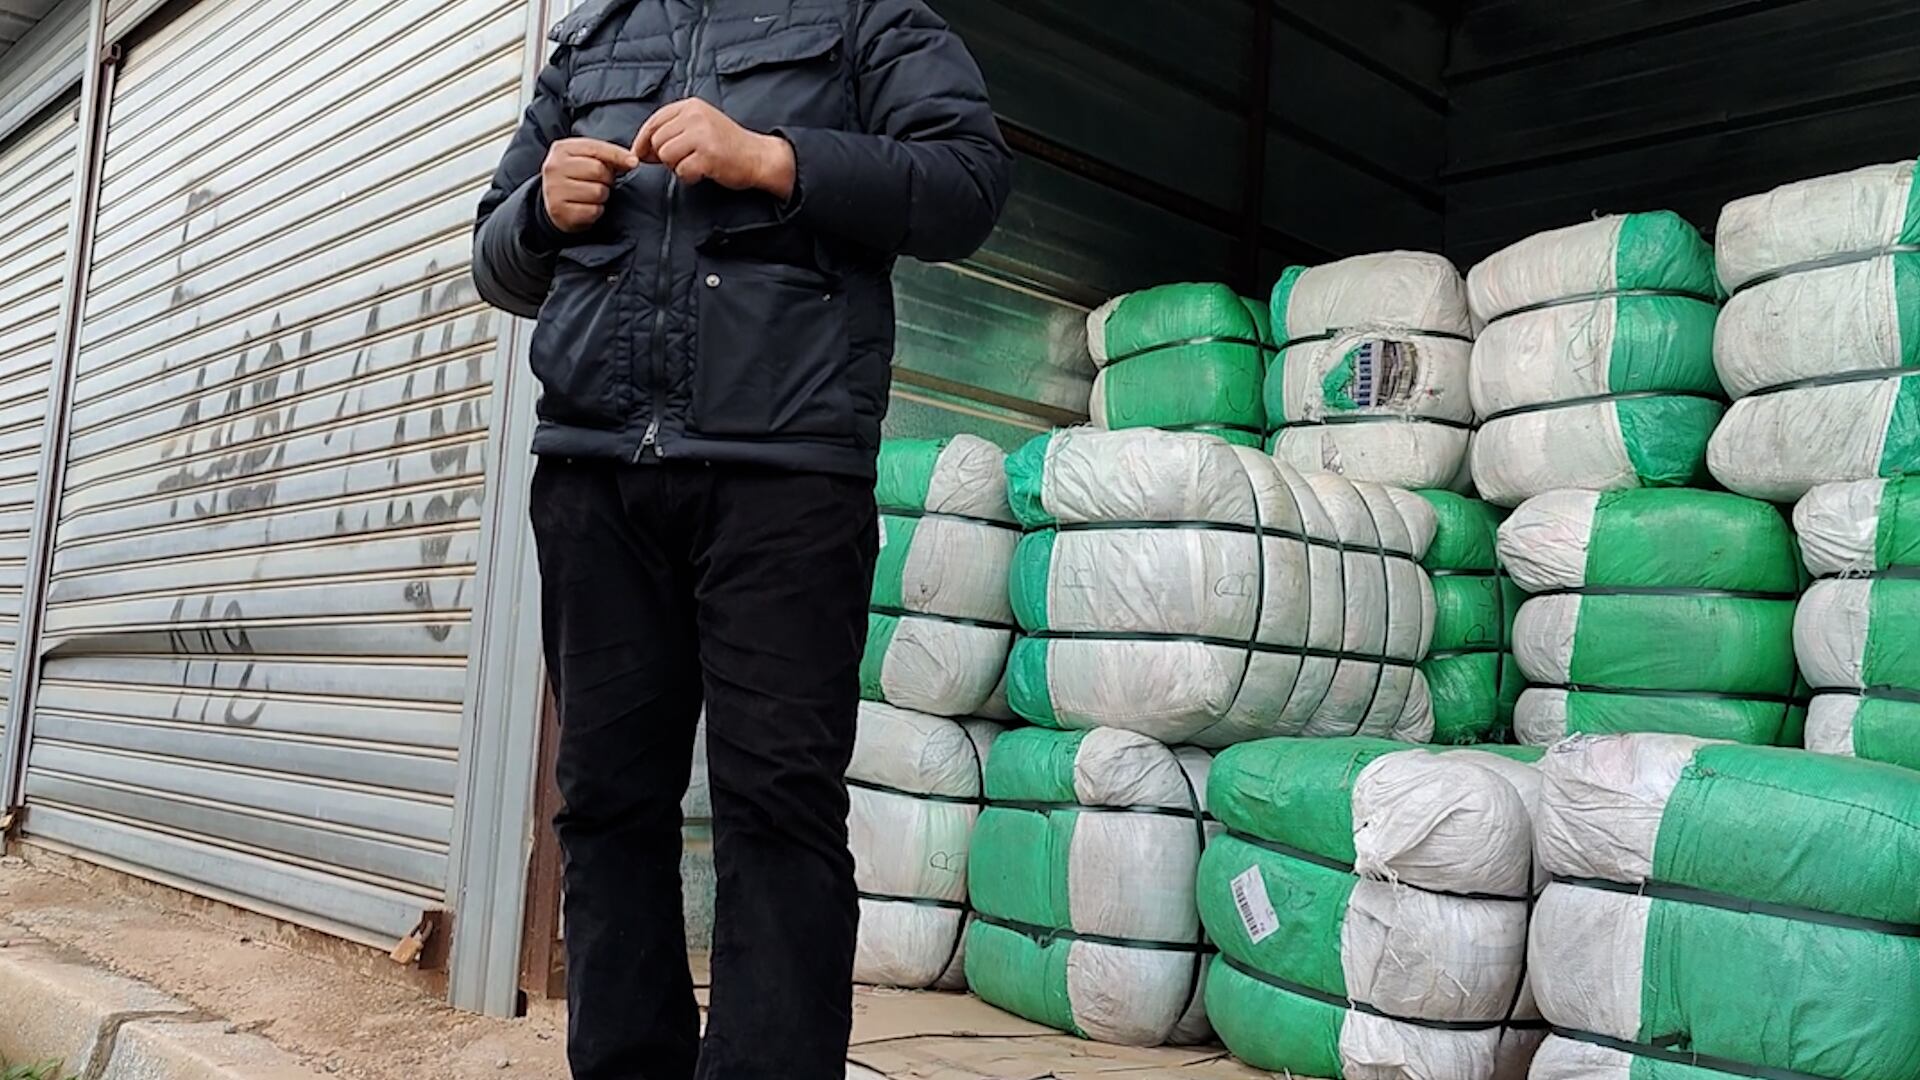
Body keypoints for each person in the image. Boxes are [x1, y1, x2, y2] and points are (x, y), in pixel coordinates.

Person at [471, 0, 1010, 1077]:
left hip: (786, 476)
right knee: (609, 803)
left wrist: (774, 157)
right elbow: (496, 262)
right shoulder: (590, 38)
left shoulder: (865, 17)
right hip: (598, 473)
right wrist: (539, 211)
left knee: (777, 805)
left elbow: (966, 187)